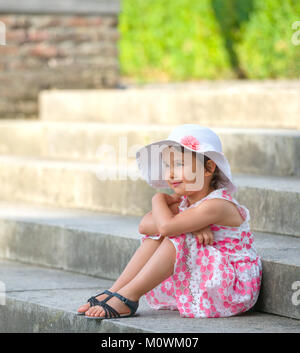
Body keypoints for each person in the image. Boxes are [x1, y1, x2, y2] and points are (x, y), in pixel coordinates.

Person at [77, 124, 262, 319]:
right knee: (158, 236)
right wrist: (191, 226)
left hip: (233, 286)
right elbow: (145, 226)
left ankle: (128, 296)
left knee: (176, 233)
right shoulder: (186, 201)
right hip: (206, 278)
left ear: (208, 168)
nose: (170, 174)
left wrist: (158, 198)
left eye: (180, 165)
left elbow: (166, 226)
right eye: (168, 166)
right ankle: (116, 290)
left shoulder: (217, 204)